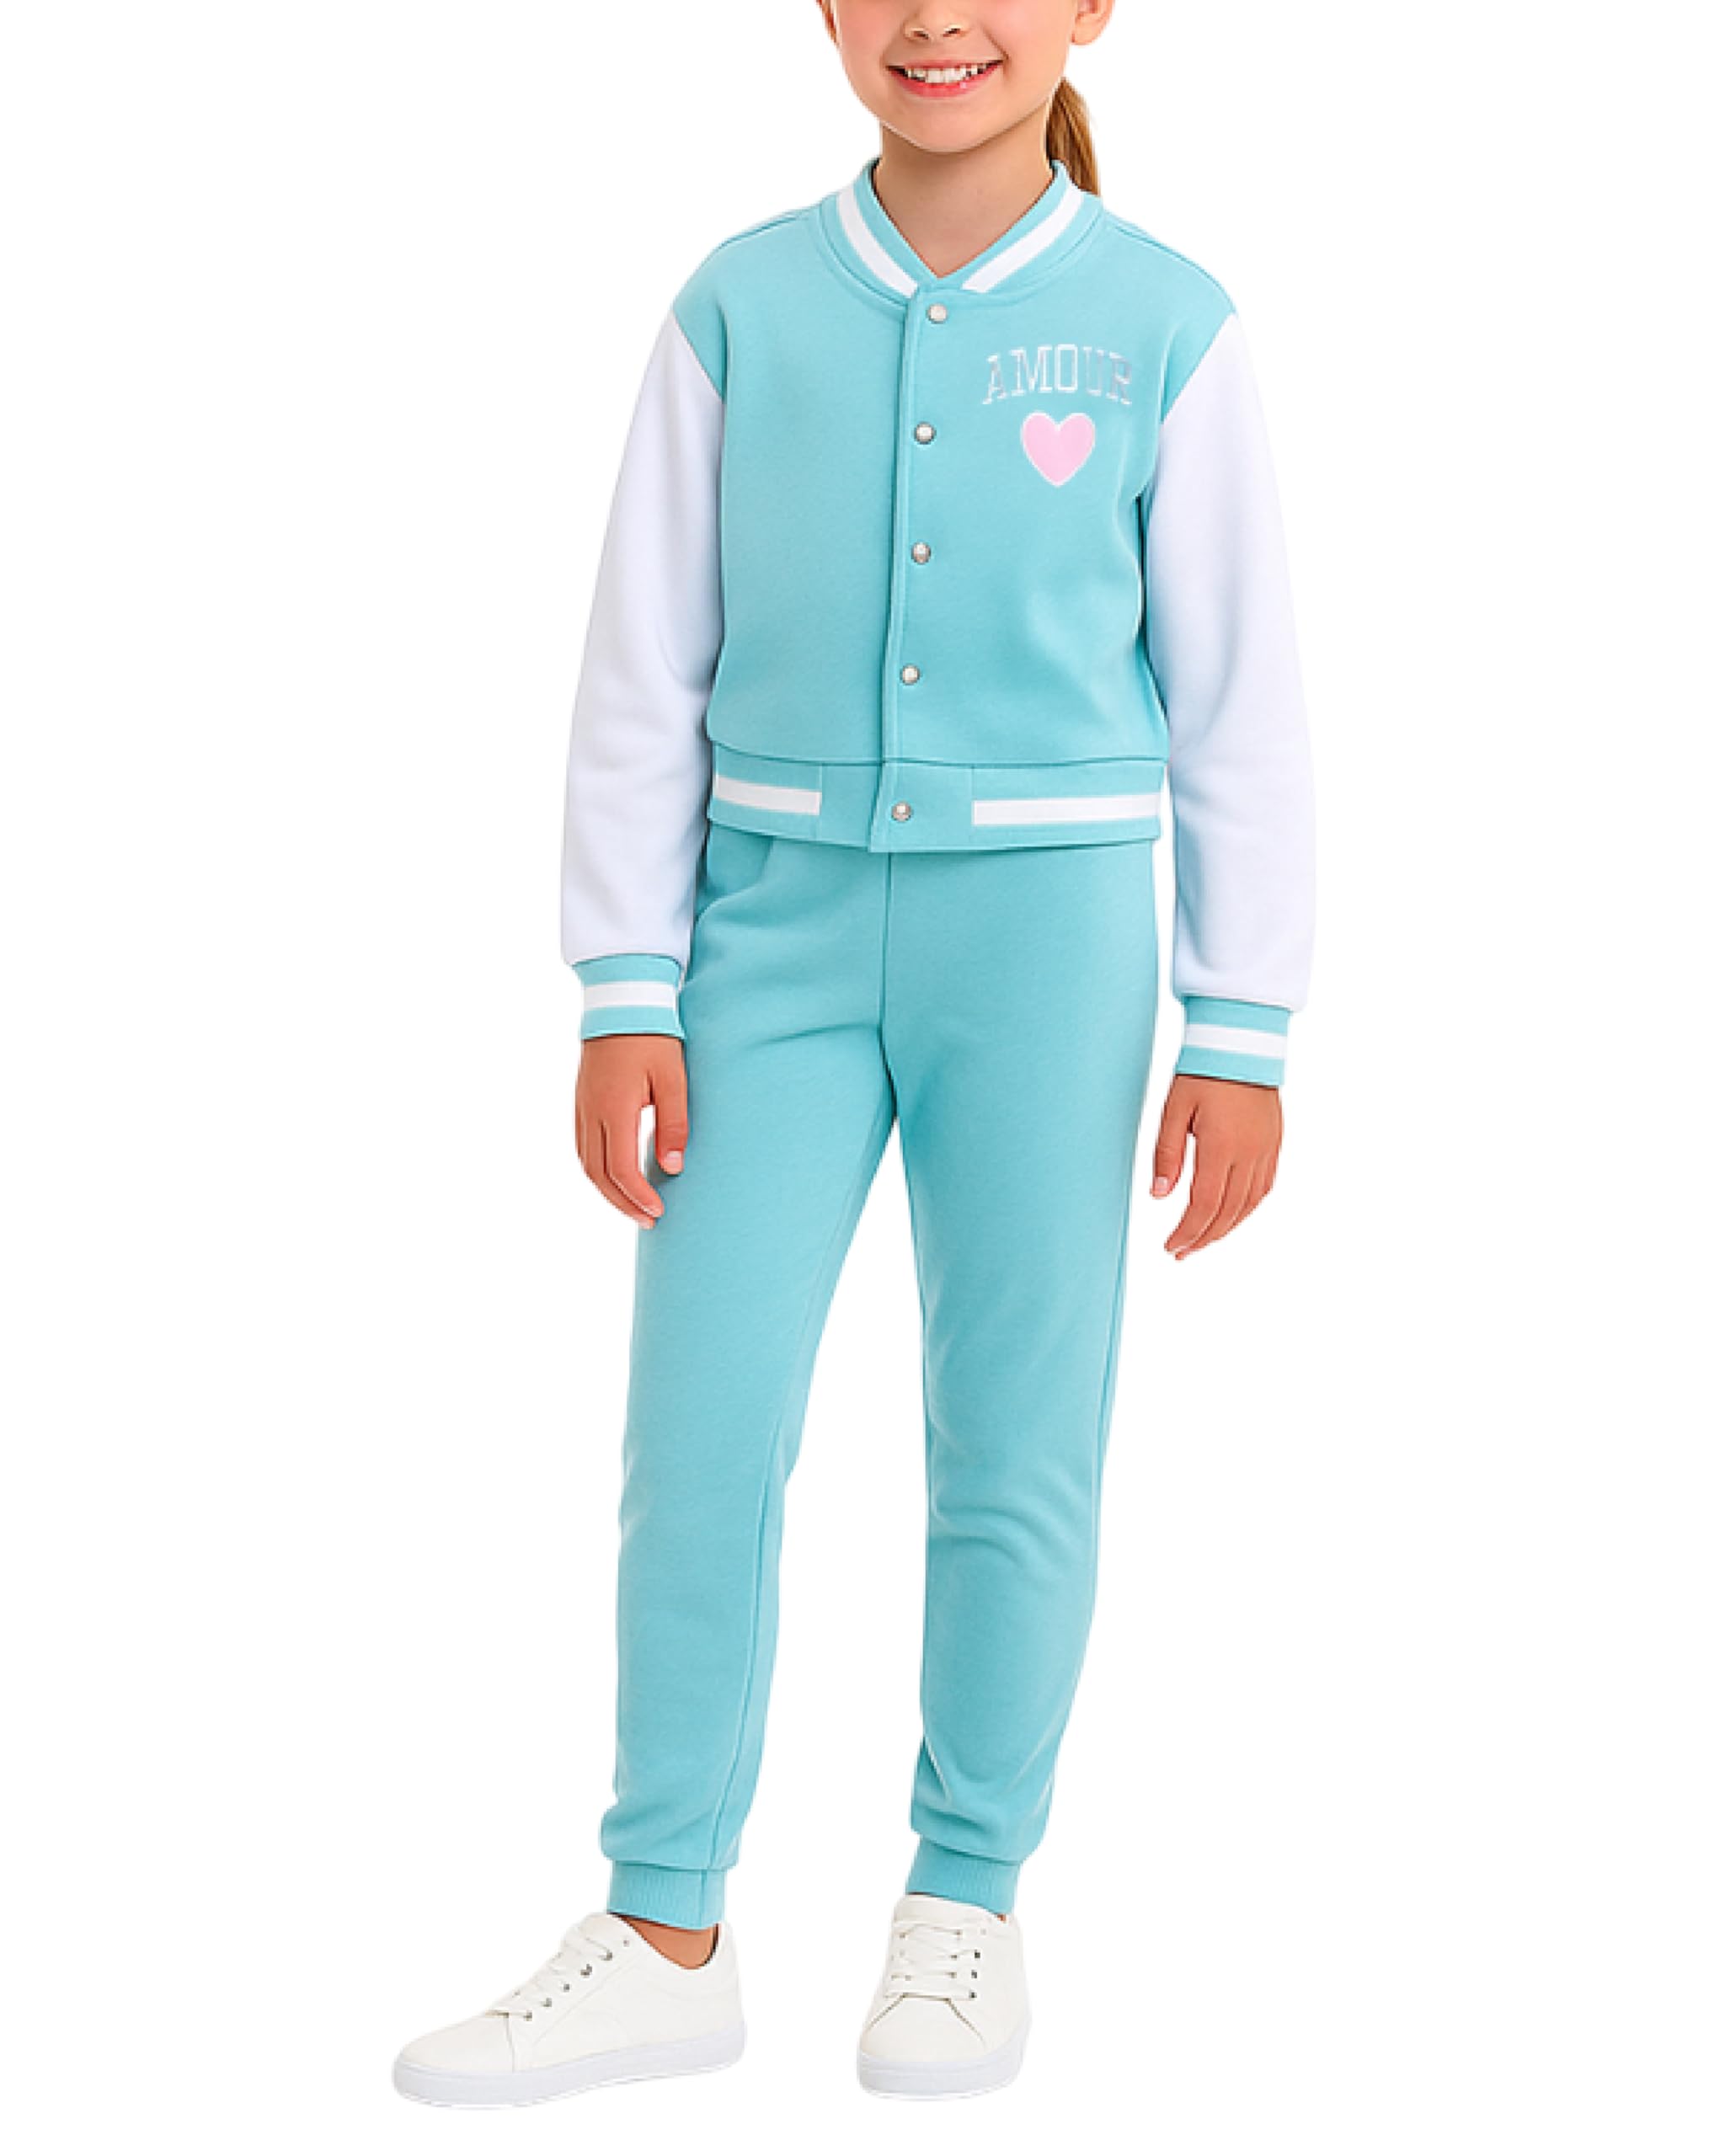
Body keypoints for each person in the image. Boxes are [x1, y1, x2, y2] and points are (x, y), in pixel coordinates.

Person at [394, 0, 1315, 2108]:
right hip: (766, 934)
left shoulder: (1165, 325)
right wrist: (625, 980)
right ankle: (661, 1923)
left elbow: (1240, 691)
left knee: (1017, 1433)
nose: (935, 18)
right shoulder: (737, 306)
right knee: (698, 1430)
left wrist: (1242, 1020)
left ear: (1086, 9)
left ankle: (963, 1899)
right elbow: (644, 660)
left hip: (1049, 940)